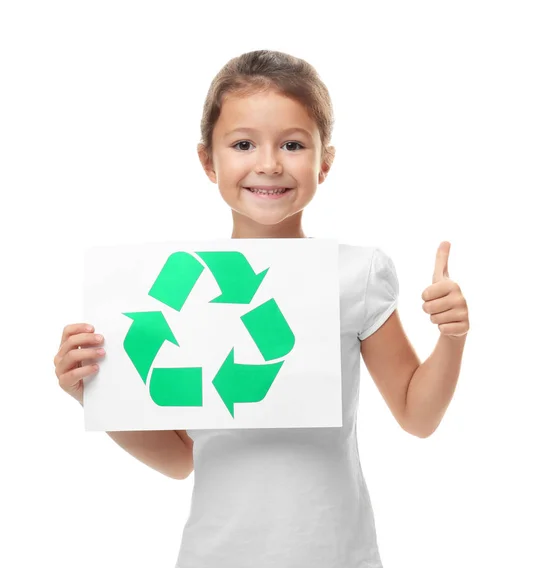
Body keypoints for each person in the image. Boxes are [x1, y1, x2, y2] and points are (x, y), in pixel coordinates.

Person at [54, 49, 469, 567]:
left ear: (325, 161)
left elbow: (417, 416)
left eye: (293, 144)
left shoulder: (354, 275)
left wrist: (451, 338)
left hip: (337, 554)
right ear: (209, 160)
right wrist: (97, 393)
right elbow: (181, 458)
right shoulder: (176, 284)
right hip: (215, 555)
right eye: (244, 143)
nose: (269, 163)